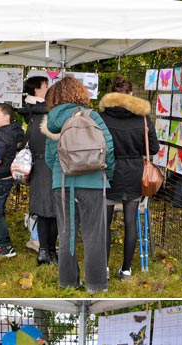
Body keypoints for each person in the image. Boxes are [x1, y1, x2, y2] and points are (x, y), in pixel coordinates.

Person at [42, 76, 115, 292]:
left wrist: (59, 171)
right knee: (94, 234)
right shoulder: (94, 117)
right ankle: (96, 285)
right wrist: (106, 174)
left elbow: (49, 156)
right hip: (93, 181)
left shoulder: (52, 121)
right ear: (81, 93)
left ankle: (68, 282)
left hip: (62, 182)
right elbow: (108, 147)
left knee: (66, 233)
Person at [98, 75, 159, 280]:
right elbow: (155, 148)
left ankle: (103, 269)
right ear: (131, 95)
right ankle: (126, 269)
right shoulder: (142, 118)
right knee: (130, 222)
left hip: (108, 172)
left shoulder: (103, 118)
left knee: (104, 223)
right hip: (134, 173)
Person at [17, 76, 57, 266]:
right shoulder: (47, 113)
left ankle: (43, 250)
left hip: (37, 165)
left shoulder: (30, 113)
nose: (48, 88)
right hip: (51, 164)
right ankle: (49, 249)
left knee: (42, 210)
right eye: (46, 85)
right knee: (55, 210)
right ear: (37, 90)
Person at [0, 103, 24, 259]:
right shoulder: (15, 131)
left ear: (7, 117)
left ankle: (5, 245)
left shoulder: (1, 135)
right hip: (7, 175)